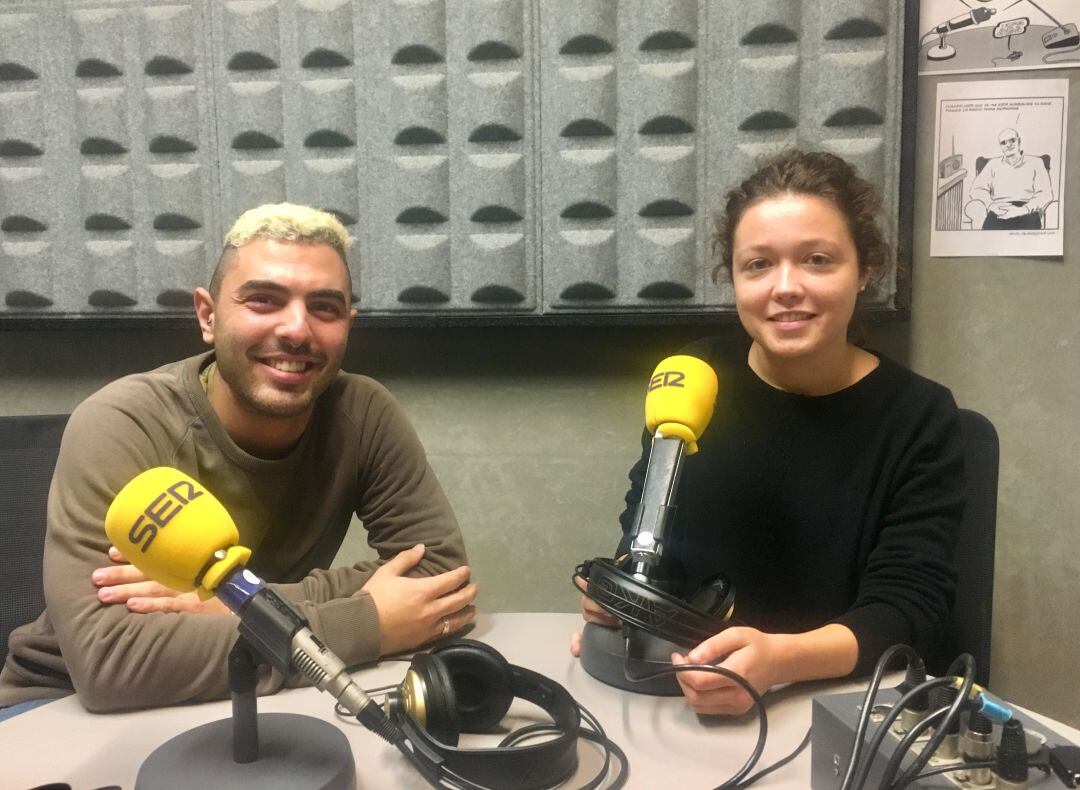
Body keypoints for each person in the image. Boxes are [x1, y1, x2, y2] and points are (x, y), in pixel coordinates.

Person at [0, 203, 475, 715]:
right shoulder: (121, 422)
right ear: (208, 316)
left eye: (325, 307)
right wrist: (368, 621)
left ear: (348, 325)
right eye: (264, 300)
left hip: (247, 691)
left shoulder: (364, 414)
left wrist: (230, 599)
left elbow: (442, 583)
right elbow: (114, 662)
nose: (297, 330)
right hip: (56, 707)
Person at [572, 150, 965, 715]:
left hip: (840, 703)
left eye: (817, 260)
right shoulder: (694, 378)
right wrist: (622, 606)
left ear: (865, 270)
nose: (785, 287)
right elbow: (646, 524)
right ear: (732, 277)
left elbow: (910, 604)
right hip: (684, 690)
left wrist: (782, 660)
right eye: (758, 265)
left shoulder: (919, 416)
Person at [964, 127, 1053, 230]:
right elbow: (976, 189)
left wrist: (1023, 210)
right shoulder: (993, 164)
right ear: (1000, 146)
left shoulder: (1036, 162)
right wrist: (991, 205)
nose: (1008, 145)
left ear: (1019, 141)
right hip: (998, 210)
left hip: (1026, 211)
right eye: (1004, 143)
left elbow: (1046, 194)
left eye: (1012, 140)